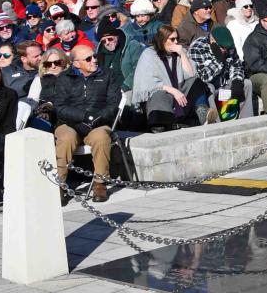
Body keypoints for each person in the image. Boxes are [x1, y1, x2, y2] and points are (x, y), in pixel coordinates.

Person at [53, 45, 120, 203]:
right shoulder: (64, 78)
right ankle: (59, 185)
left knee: (101, 137)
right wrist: (83, 116)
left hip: (98, 122)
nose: (94, 60)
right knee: (66, 139)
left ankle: (100, 183)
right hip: (70, 123)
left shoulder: (107, 75)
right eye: (88, 59)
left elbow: (113, 104)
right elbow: (60, 107)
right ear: (76, 64)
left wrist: (94, 119)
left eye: (94, 56)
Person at [132, 26, 211, 131]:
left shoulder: (179, 52)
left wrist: (182, 54)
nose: (176, 42)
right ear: (163, 40)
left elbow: (191, 74)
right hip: (161, 92)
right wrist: (173, 90)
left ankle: (203, 115)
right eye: (172, 39)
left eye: (177, 39)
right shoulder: (149, 54)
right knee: (159, 95)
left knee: (197, 83)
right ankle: (159, 126)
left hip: (180, 89)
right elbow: (147, 84)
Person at [188, 25, 253, 119]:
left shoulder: (228, 45)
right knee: (208, 88)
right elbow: (203, 77)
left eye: (227, 48)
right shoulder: (197, 48)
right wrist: (219, 60)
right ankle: (216, 123)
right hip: (208, 86)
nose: (225, 50)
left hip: (224, 82)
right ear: (212, 41)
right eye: (222, 47)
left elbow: (237, 65)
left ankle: (247, 119)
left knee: (247, 83)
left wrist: (237, 81)